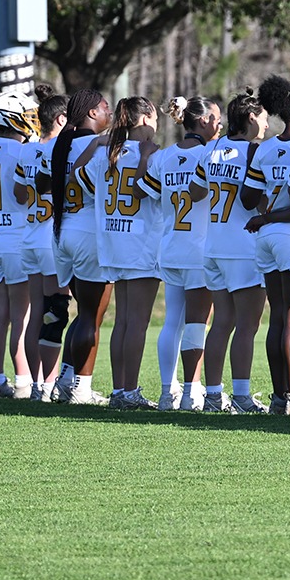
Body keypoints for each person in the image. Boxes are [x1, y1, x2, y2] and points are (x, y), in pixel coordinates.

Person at [191, 90, 269, 413]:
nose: (266, 123)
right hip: (242, 247)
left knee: (221, 322)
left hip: (214, 246)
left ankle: (212, 396)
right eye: (264, 117)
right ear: (251, 118)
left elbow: (195, 191)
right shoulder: (254, 152)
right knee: (247, 326)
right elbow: (260, 200)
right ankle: (241, 396)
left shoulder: (212, 148)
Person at [143, 96, 219, 409]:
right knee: (198, 321)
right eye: (215, 117)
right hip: (199, 249)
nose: (220, 123)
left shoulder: (163, 157)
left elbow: (145, 192)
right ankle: (190, 392)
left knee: (173, 320)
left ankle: (166, 392)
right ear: (202, 121)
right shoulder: (213, 154)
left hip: (170, 245)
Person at [89, 96, 162, 409]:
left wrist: (99, 145)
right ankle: (128, 391)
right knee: (136, 322)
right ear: (145, 119)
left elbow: (83, 181)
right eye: (155, 117)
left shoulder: (107, 152)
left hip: (113, 240)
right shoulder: (151, 154)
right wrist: (145, 159)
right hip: (141, 243)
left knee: (121, 321)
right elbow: (142, 189)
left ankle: (120, 390)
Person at [44, 89, 114, 405]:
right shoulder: (98, 146)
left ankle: (68, 378)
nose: (109, 112)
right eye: (104, 107)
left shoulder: (62, 143)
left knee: (81, 313)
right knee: (91, 316)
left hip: (62, 231)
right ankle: (82, 389)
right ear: (90, 113)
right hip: (89, 232)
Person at [249, 77, 290, 415]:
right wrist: (273, 216)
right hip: (288, 233)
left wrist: (265, 213)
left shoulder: (265, 148)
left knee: (277, 316)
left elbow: (250, 196)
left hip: (266, 237)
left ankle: (279, 395)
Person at [0, 89, 42, 398]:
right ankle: (25, 379)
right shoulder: (23, 153)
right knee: (20, 316)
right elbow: (21, 194)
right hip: (15, 238)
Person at [15, 86, 68, 399]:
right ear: (60, 119)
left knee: (38, 311)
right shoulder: (59, 150)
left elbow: (20, 195)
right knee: (55, 311)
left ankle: (37, 384)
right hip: (50, 239)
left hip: (29, 236)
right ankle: (49, 385)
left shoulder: (26, 150)